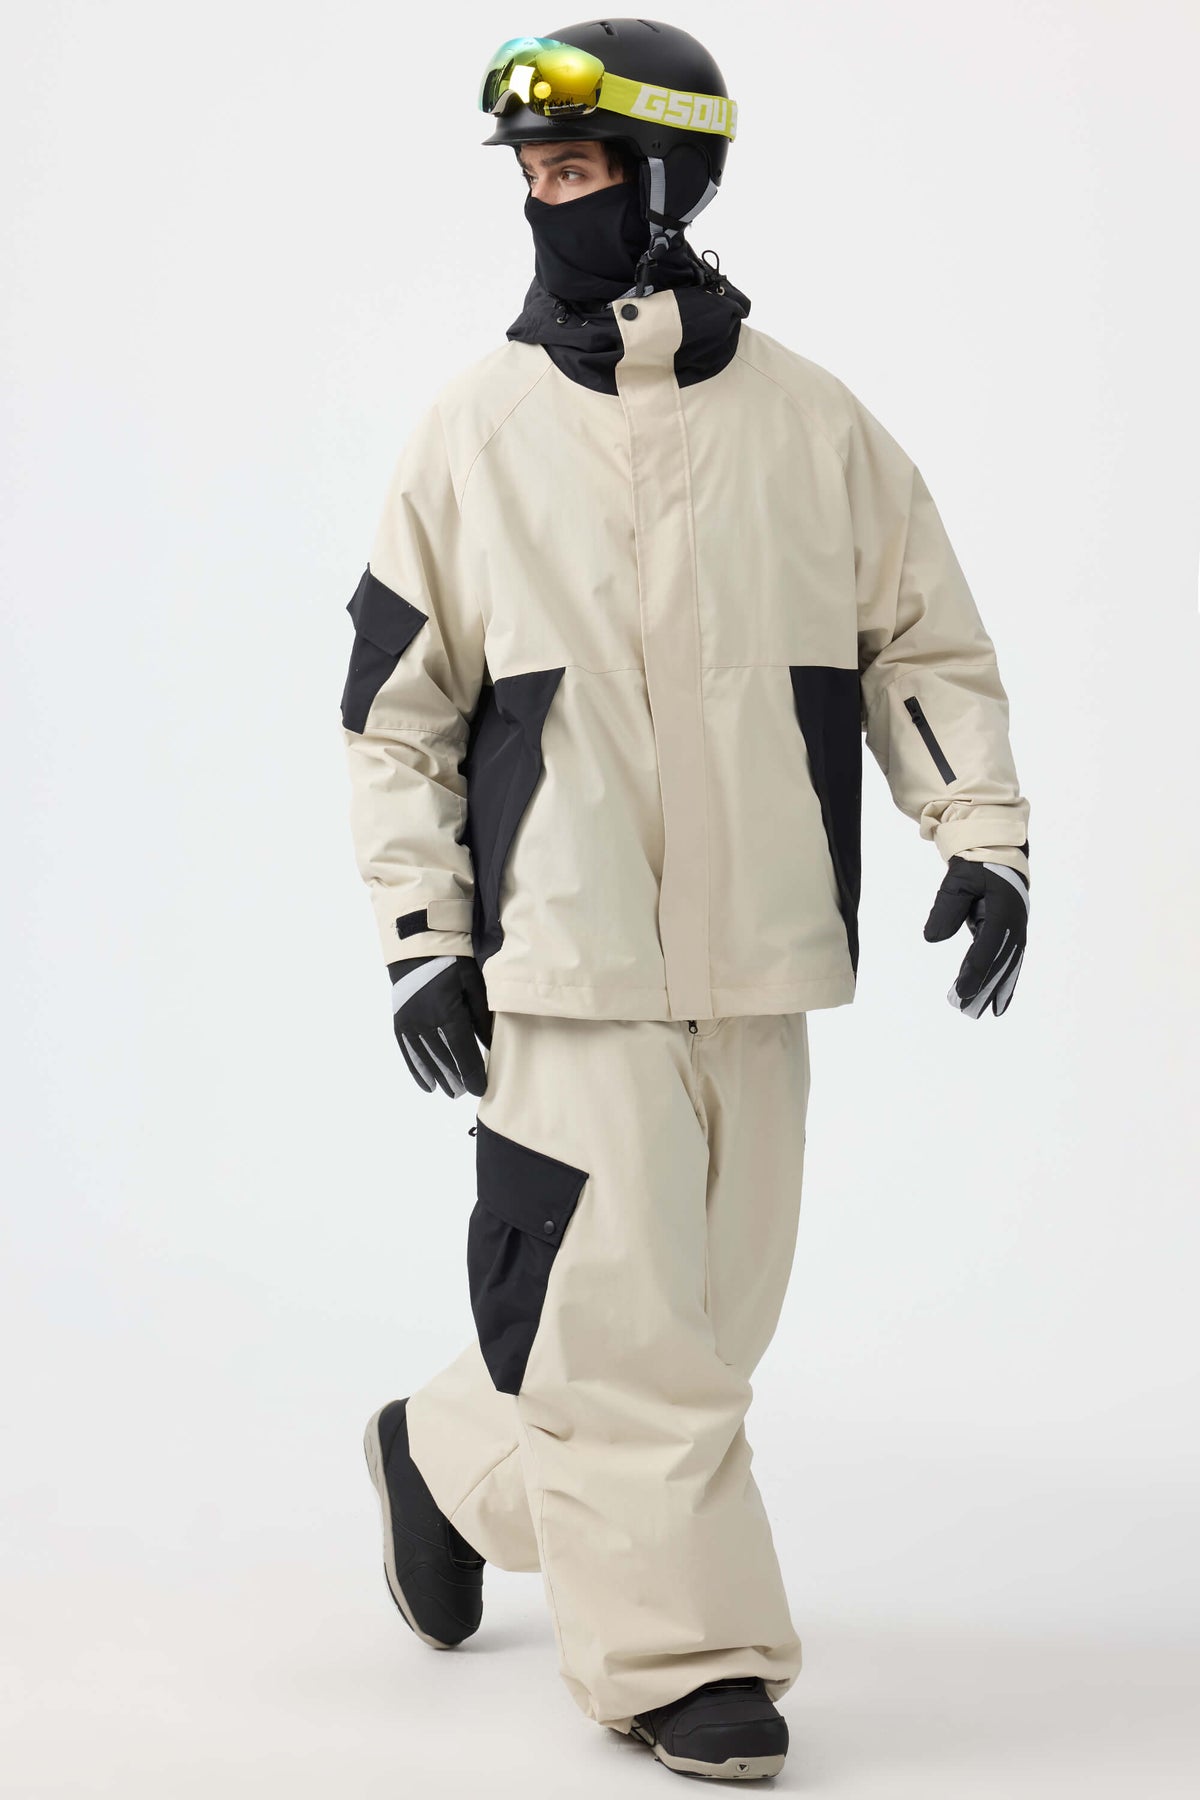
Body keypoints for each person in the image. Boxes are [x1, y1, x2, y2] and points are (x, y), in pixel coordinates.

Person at [341, 18, 1031, 1782]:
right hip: (562, 960)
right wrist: (426, 938)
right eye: (533, 177)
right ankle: (685, 1662)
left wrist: (980, 835)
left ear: (670, 180)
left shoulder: (811, 423)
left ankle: (449, 1454)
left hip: (762, 953)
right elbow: (398, 712)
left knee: (698, 1336)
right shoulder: (475, 432)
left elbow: (920, 642)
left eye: (576, 171)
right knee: (634, 1344)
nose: (546, 203)